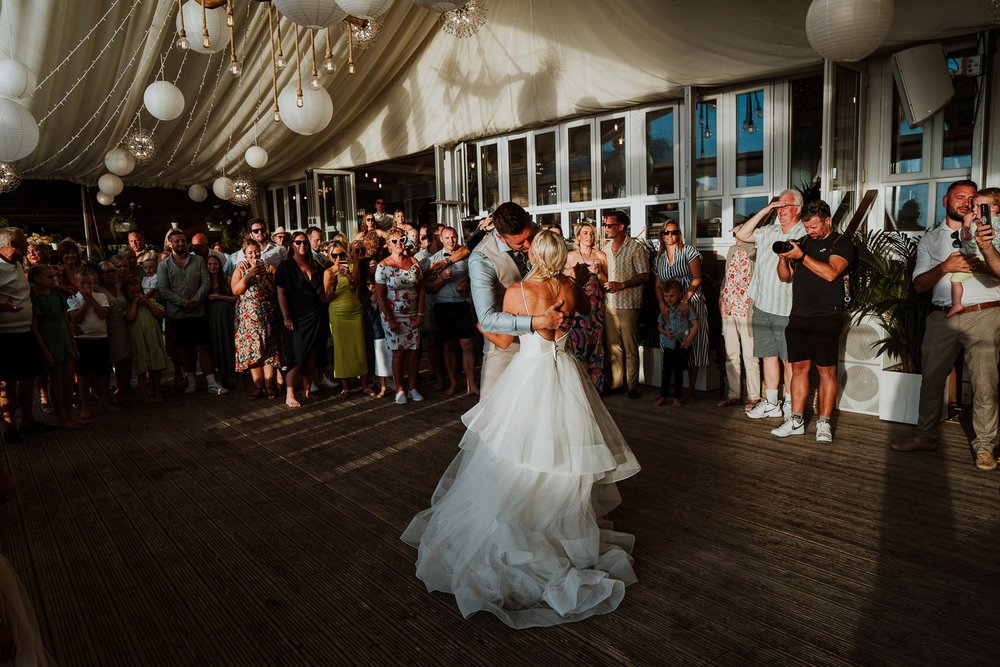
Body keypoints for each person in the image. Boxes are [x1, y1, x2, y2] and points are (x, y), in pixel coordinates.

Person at [401, 229, 640, 629]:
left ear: (533, 254)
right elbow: (580, 308)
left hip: (529, 375)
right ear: (561, 255)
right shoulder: (567, 284)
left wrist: (482, 328)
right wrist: (576, 281)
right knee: (567, 450)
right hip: (565, 374)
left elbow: (502, 337)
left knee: (518, 453)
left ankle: (528, 517)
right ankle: (562, 521)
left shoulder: (517, 292)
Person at [891, 180, 1000, 471]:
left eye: (971, 197)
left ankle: (985, 447)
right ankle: (926, 435)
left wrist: (985, 247)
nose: (966, 201)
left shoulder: (990, 229)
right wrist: (945, 267)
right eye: (959, 196)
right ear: (945, 201)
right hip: (942, 316)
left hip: (984, 312)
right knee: (932, 379)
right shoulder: (930, 239)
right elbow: (919, 285)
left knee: (984, 383)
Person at [769, 201, 854, 444]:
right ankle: (796, 420)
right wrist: (784, 258)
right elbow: (785, 277)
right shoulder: (803, 241)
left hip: (827, 316)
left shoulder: (841, 243)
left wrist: (802, 256)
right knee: (798, 369)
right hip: (798, 316)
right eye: (807, 227)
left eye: (815, 226)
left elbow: (830, 273)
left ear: (828, 220)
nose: (811, 231)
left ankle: (824, 423)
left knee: (827, 371)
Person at [468, 202, 565, 397]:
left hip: (546, 344)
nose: (529, 245)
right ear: (500, 236)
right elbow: (487, 319)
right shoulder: (482, 258)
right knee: (494, 411)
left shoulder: (537, 232)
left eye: (530, 237)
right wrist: (537, 322)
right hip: (506, 344)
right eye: (520, 243)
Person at [736, 190, 805, 421]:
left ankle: (789, 403)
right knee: (768, 356)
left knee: (789, 360)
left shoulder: (803, 233)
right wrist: (767, 209)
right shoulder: (769, 231)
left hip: (787, 307)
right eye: (779, 206)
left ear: (798, 208)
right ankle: (772, 402)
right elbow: (743, 233)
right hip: (762, 304)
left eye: (786, 206)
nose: (781, 210)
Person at [156, 229, 229, 396]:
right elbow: (164, 289)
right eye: (177, 241)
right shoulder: (163, 265)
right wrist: (184, 303)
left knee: (203, 346)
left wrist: (195, 300)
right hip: (177, 314)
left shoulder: (198, 261)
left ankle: (211, 382)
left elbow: (205, 281)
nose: (181, 244)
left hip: (198, 312)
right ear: (170, 244)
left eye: (183, 240)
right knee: (183, 348)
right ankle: (191, 380)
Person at [654, 220, 708, 401]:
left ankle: (690, 390)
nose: (670, 236)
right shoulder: (659, 257)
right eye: (666, 233)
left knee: (694, 344)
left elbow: (697, 277)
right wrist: (662, 305)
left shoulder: (688, 251)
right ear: (661, 235)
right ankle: (667, 391)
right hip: (669, 304)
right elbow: (657, 286)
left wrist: (686, 299)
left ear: (679, 234)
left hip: (690, 299)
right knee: (669, 341)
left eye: (673, 232)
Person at [374, 227, 425, 404]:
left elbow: (421, 288)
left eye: (401, 239)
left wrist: (420, 313)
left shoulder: (413, 262)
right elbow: (380, 296)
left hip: (412, 313)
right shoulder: (383, 266)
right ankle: (399, 389)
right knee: (398, 353)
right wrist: (389, 319)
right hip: (393, 315)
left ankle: (412, 387)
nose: (399, 244)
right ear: (388, 245)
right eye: (394, 241)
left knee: (413, 352)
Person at [602, 210, 649, 399]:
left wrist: (622, 284)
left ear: (621, 227)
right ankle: (617, 384)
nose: (606, 229)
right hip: (609, 303)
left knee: (630, 347)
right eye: (605, 225)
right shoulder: (605, 248)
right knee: (614, 346)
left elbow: (644, 275)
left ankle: (632, 386)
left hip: (628, 303)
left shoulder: (635, 248)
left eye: (609, 225)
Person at [425, 226, 478, 396]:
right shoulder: (433, 260)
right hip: (442, 306)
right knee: (448, 346)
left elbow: (474, 278)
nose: (451, 241)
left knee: (467, 344)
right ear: (441, 239)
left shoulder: (464, 254)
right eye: (447, 238)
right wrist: (441, 279)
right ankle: (454, 382)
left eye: (453, 237)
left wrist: (467, 287)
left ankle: (471, 383)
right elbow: (428, 287)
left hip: (461, 303)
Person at [276, 231, 326, 407]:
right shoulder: (286, 266)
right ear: (292, 245)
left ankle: (306, 390)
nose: (302, 245)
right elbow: (281, 292)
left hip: (315, 315)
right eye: (298, 242)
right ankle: (290, 394)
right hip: (296, 317)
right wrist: (286, 316)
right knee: (296, 354)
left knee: (311, 353)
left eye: (305, 242)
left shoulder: (314, 265)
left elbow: (322, 292)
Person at [28, 264, 81, 428]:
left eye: (53, 277)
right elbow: (34, 327)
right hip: (49, 342)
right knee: (56, 380)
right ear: (36, 279)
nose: (53, 280)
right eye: (49, 277)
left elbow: (67, 321)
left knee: (68, 379)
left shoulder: (57, 296)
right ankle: (61, 417)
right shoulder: (34, 299)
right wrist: (46, 352)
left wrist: (73, 345)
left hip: (64, 339)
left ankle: (69, 415)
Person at [231, 240, 282, 400]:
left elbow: (275, 292)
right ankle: (258, 387)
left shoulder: (270, 268)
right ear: (245, 254)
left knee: (269, 352)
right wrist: (249, 276)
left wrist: (265, 278)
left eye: (257, 252)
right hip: (248, 319)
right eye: (251, 252)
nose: (254, 255)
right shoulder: (241, 269)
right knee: (253, 352)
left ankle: (269, 386)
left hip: (267, 315)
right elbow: (235, 291)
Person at [68, 266, 118, 418]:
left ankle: (104, 403)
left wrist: (92, 299)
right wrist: (85, 302)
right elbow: (76, 318)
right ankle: (85, 407)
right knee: (83, 376)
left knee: (103, 373)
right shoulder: (72, 298)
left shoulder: (101, 297)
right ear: (76, 284)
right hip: (83, 341)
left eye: (89, 283)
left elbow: (103, 314)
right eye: (82, 284)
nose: (86, 287)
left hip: (101, 339)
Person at [323, 240, 370, 397]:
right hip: (338, 313)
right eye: (334, 255)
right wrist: (333, 285)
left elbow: (354, 288)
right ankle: (346, 386)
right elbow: (328, 297)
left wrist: (349, 275)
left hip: (355, 310)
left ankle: (364, 384)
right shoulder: (328, 272)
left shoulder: (352, 267)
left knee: (359, 346)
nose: (338, 258)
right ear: (330, 256)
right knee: (341, 348)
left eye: (341, 254)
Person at [564, 222, 607, 392]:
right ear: (578, 236)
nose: (589, 236)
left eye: (591, 233)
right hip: (579, 306)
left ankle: (596, 386)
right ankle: (580, 386)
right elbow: (566, 282)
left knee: (597, 344)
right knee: (578, 343)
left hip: (597, 307)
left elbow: (606, 283)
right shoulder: (570, 257)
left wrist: (600, 273)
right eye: (585, 233)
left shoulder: (601, 255)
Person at [947, 188, 1000, 317]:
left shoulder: (976, 224)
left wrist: (966, 224)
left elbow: (967, 238)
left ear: (993, 208)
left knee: (955, 280)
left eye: (978, 206)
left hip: (977, 259)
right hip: (991, 262)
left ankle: (956, 304)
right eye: (974, 205)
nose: (974, 209)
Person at [123, 277, 169, 404]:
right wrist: (134, 303)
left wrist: (148, 303)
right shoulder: (127, 306)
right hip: (139, 343)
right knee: (141, 370)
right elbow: (130, 318)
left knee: (156, 369)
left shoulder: (151, 302)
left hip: (153, 340)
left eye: (138, 291)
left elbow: (161, 314)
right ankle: (145, 396)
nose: (136, 295)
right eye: (132, 293)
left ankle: (157, 393)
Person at [656, 279, 698, 408]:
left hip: (682, 344)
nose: (668, 299)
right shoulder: (665, 310)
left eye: (672, 296)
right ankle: (664, 395)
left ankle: (677, 397)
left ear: (680, 295)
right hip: (669, 344)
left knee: (679, 371)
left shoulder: (686, 308)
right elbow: (659, 326)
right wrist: (665, 332)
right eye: (666, 296)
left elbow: (695, 326)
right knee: (666, 370)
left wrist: (687, 340)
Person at [205, 254, 237, 388]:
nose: (213, 267)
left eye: (215, 264)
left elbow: (236, 297)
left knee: (229, 344)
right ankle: (221, 376)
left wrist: (220, 297)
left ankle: (234, 375)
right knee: (216, 345)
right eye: (210, 264)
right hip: (212, 318)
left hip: (227, 317)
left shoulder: (226, 279)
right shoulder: (204, 281)